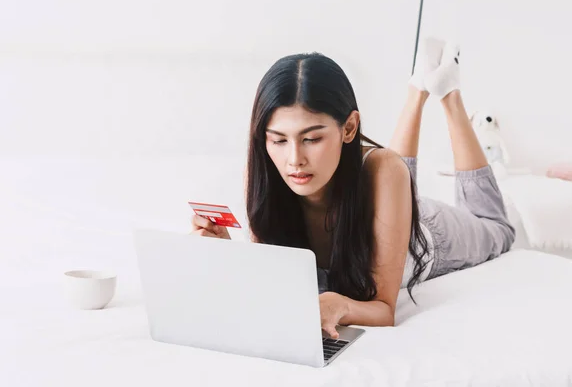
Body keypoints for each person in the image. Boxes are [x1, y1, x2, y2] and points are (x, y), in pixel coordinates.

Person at [191, 38, 516, 338]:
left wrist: (342, 306)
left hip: (426, 236)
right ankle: (418, 89)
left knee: (497, 229)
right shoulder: (267, 167)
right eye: (278, 139)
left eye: (311, 139)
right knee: (388, 172)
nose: (294, 160)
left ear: (349, 128)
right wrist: (227, 254)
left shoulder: (386, 172)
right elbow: (274, 280)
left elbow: (384, 309)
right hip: (378, 194)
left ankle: (448, 95)